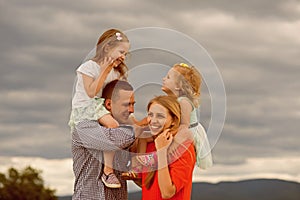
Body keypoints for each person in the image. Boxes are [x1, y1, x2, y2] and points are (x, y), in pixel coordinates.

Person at [69, 29, 130, 188]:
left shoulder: (117, 73)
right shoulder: (89, 67)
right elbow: (91, 92)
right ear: (108, 48)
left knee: (122, 127)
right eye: (121, 52)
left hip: (103, 107)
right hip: (87, 106)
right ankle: (108, 171)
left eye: (126, 53)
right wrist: (105, 69)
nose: (123, 56)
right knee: (113, 127)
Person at [71, 80, 136, 200]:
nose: (132, 110)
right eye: (127, 104)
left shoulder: (126, 130)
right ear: (109, 104)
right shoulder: (84, 128)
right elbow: (117, 140)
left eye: (133, 104)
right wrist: (138, 129)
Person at [141, 95, 196, 199]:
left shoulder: (184, 148)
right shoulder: (151, 145)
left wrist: (161, 151)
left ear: (174, 120)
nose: (153, 120)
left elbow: (167, 192)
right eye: (150, 115)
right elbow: (147, 184)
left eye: (160, 116)